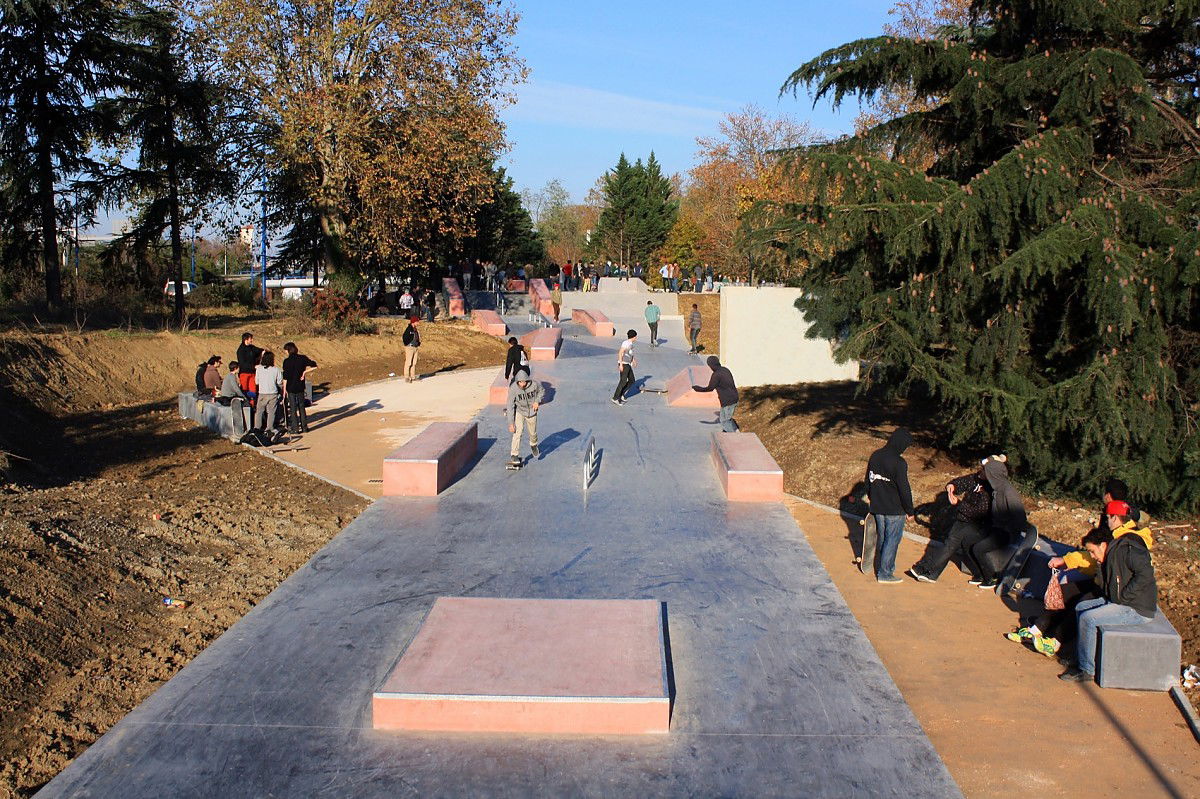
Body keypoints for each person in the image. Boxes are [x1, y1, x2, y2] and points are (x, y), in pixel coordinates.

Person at [1007, 498, 1153, 659]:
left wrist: (1122, 596)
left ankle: (1055, 642)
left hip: (1117, 592)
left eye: (1107, 517)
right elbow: (1095, 557)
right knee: (1065, 592)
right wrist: (1068, 561)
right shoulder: (1119, 535)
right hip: (1106, 582)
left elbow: (1133, 571)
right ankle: (1037, 629)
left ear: (1115, 517)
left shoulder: (1127, 540)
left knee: (1081, 603)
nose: (1106, 521)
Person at [1059, 514, 1158, 682]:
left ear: (1103, 545)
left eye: (1092, 551)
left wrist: (1125, 595)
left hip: (1137, 609)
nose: (1092, 556)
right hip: (1121, 601)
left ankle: (1087, 670)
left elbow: (1146, 574)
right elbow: (1105, 585)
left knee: (1088, 619)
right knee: (1080, 608)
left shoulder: (1125, 550)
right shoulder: (1110, 556)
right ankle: (1081, 656)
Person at [908, 466, 991, 583]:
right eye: (982, 468)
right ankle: (931, 573)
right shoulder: (976, 478)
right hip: (963, 519)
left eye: (984, 470)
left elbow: (979, 512)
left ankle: (926, 568)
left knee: (950, 544)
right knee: (952, 546)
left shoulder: (990, 489)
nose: (980, 471)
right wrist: (952, 486)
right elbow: (962, 482)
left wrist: (959, 504)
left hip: (976, 524)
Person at [968, 456, 1028, 588]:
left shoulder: (1008, 491)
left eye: (987, 472)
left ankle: (991, 578)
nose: (984, 474)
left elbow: (1019, 516)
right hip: (996, 528)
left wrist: (1014, 531)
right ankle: (980, 574)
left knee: (978, 549)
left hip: (1006, 532)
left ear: (993, 474)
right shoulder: (996, 488)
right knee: (968, 540)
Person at [864, 428, 915, 584]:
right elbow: (904, 489)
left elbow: (868, 480)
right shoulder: (899, 463)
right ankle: (885, 573)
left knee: (883, 538)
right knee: (892, 541)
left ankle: (883, 565)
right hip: (895, 509)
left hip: (878, 507)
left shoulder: (875, 455)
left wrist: (872, 497)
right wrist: (910, 510)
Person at [507, 367, 543, 466]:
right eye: (520, 382)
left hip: (532, 411)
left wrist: (537, 401)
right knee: (517, 432)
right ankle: (514, 454)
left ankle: (533, 445)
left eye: (524, 382)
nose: (522, 384)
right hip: (520, 411)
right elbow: (510, 406)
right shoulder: (513, 388)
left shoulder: (534, 384)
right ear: (517, 381)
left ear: (527, 380)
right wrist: (511, 423)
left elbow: (541, 391)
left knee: (532, 433)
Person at [691, 356, 739, 432]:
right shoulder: (725, 369)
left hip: (728, 400)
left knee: (725, 421)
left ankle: (732, 436)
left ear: (711, 365)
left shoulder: (716, 375)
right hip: (731, 398)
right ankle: (727, 432)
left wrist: (698, 389)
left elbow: (710, 388)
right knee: (723, 419)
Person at [281, 342, 317, 434]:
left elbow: (285, 377)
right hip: (300, 386)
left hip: (290, 387)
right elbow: (314, 365)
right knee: (301, 406)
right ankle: (304, 427)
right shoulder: (302, 358)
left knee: (293, 408)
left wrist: (284, 390)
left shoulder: (286, 361)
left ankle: (295, 428)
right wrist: (304, 372)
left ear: (288, 350)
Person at [253, 350, 283, 432]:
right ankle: (269, 428)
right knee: (271, 412)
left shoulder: (259, 369)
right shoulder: (276, 369)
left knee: (259, 412)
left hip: (262, 393)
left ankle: (257, 428)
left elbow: (256, 382)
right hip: (273, 393)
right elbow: (279, 382)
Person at [611, 329, 637, 405]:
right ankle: (615, 398)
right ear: (633, 337)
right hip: (624, 364)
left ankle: (621, 394)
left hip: (628, 364)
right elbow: (620, 353)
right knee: (623, 381)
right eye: (635, 337)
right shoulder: (626, 343)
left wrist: (633, 360)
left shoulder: (631, 344)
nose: (636, 338)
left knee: (632, 380)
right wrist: (621, 364)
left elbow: (630, 353)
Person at [236, 332, 262, 404]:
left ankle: (252, 404)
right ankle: (245, 404)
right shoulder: (240, 350)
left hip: (252, 373)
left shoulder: (252, 347)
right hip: (244, 373)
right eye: (251, 339)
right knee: (244, 389)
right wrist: (253, 366)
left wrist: (263, 351)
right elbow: (242, 363)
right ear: (246, 340)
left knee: (253, 390)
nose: (252, 340)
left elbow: (259, 350)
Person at [402, 316, 421, 383]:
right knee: (408, 362)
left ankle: (413, 377)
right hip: (410, 347)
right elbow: (404, 337)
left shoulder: (415, 329)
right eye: (417, 322)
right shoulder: (409, 329)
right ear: (414, 322)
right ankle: (407, 377)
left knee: (414, 363)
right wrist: (407, 344)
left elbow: (416, 337)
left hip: (415, 347)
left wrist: (418, 343)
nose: (418, 323)